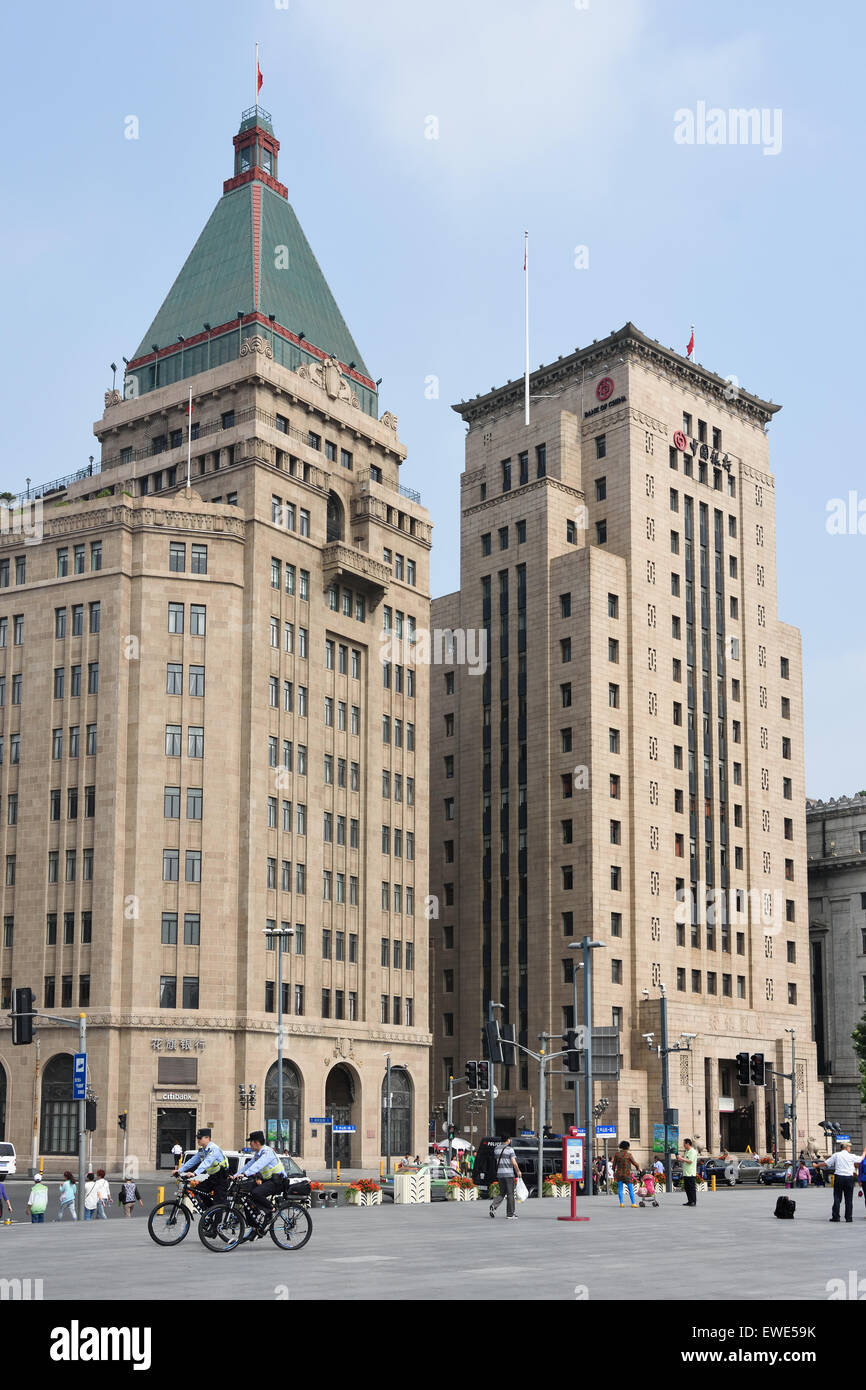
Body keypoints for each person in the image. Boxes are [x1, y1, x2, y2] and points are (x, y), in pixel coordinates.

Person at [233, 1131, 285, 1238]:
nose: (249, 1145)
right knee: (246, 1198)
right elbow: (249, 1165)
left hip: (279, 1181)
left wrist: (245, 1174)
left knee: (256, 1192)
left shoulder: (267, 1152)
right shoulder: (258, 1153)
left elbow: (257, 1165)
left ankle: (271, 1209)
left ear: (256, 1142)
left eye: (250, 1142)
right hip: (269, 1181)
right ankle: (255, 1228)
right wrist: (236, 1175)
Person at [175, 1127, 229, 1208]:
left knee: (218, 1201)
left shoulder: (213, 1149)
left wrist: (194, 1173)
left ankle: (218, 1219)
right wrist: (179, 1170)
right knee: (198, 1190)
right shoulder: (202, 1150)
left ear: (207, 1138)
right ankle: (210, 1212)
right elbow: (193, 1161)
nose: (198, 1139)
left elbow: (206, 1162)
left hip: (222, 1177)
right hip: (213, 1176)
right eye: (197, 1137)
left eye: (200, 1138)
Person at [820, 1140, 866, 1223]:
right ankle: (848, 1218)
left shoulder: (836, 1155)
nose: (850, 1148)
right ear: (846, 1147)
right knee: (849, 1199)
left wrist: (817, 1165)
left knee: (837, 1197)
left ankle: (836, 1217)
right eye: (849, 1147)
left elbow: (826, 1163)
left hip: (839, 1177)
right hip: (849, 1178)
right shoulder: (851, 1156)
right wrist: (864, 1152)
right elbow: (861, 1159)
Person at [489, 1136, 522, 1220]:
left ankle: (494, 1205)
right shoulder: (510, 1149)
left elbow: (496, 1161)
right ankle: (510, 1214)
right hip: (508, 1174)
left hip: (500, 1174)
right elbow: (514, 1163)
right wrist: (518, 1171)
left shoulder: (496, 1149)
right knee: (510, 1194)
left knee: (502, 1192)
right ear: (508, 1140)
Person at [612, 1141, 641, 1207]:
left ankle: (621, 1203)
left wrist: (614, 1171)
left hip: (619, 1173)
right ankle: (633, 1203)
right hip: (627, 1174)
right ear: (627, 1147)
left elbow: (614, 1165)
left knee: (620, 1189)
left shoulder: (617, 1154)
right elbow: (635, 1163)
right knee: (630, 1189)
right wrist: (638, 1168)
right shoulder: (629, 1155)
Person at [681, 1138, 699, 1207]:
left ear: (688, 1144)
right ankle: (689, 1201)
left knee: (691, 1188)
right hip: (686, 1173)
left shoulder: (692, 1151)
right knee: (687, 1188)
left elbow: (690, 1161)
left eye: (684, 1144)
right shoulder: (686, 1151)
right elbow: (685, 1160)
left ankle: (693, 1201)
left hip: (691, 1173)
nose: (683, 1145)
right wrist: (681, 1159)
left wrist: (682, 1159)